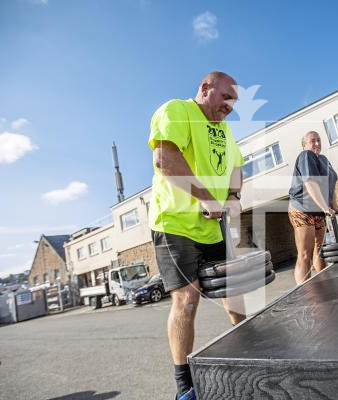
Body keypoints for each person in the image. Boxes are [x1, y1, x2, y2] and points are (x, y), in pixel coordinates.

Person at [147, 71, 246, 400]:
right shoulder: (176, 111)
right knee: (187, 299)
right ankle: (184, 385)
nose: (229, 107)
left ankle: (251, 347)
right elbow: (164, 159)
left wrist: (232, 197)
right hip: (174, 222)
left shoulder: (224, 131)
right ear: (206, 88)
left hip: (211, 224)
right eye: (225, 98)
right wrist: (205, 196)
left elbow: (235, 167)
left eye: (234, 102)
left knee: (230, 288)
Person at [288, 131, 338, 285]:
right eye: (312, 141)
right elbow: (310, 182)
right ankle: (303, 292)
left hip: (319, 210)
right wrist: (325, 207)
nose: (317, 143)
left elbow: (330, 185)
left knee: (320, 249)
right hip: (301, 209)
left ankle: (324, 285)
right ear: (304, 145)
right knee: (305, 253)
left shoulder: (324, 160)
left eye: (319, 140)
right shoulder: (306, 156)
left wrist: (334, 207)